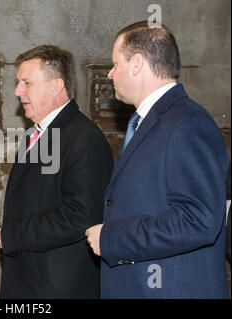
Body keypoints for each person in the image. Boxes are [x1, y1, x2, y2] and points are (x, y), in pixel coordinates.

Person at [85, 22, 229, 298]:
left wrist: (112, 238)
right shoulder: (148, 122)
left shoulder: (187, 122)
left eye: (115, 64)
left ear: (137, 64)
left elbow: (199, 220)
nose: (110, 74)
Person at [0, 45, 113, 298]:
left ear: (56, 86)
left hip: (56, 289)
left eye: (27, 83)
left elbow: (81, 215)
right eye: (18, 83)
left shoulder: (83, 138)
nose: (18, 91)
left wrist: (13, 235)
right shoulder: (36, 133)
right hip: (28, 285)